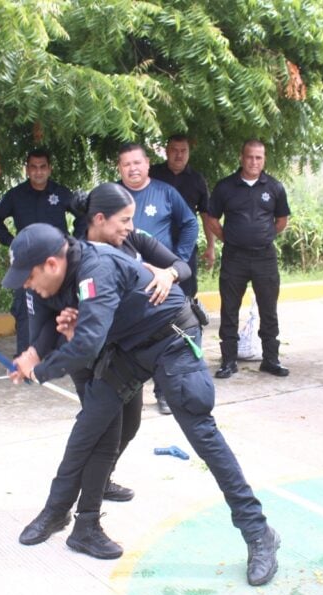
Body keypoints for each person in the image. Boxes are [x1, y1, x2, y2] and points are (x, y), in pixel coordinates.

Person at [4, 223, 280, 587]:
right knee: (91, 423)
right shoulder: (65, 276)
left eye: (29, 276)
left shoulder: (95, 268)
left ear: (52, 264)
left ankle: (258, 532)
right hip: (132, 346)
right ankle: (58, 513)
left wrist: (40, 370)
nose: (26, 284)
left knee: (201, 432)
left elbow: (87, 344)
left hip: (171, 338)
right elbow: (80, 328)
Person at [46, 182, 191, 504]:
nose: (131, 227)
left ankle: (101, 478)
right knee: (102, 427)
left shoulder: (133, 240)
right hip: (90, 354)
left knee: (131, 421)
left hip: (125, 351)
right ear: (99, 219)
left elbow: (183, 265)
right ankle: (80, 498)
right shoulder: (76, 256)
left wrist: (169, 275)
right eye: (124, 219)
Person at [117, 142, 198, 414]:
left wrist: (178, 259)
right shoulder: (113, 196)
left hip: (162, 281)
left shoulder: (166, 192)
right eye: (126, 164)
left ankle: (164, 393)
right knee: (128, 340)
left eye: (137, 162)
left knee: (164, 339)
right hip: (127, 284)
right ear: (120, 168)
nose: (132, 169)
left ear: (148, 163)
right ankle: (127, 394)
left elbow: (190, 223)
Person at [205, 140, 291, 379]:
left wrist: (265, 235)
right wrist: (229, 238)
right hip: (235, 257)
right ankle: (228, 361)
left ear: (264, 160)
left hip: (265, 257)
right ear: (241, 158)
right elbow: (212, 219)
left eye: (259, 158)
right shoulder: (225, 187)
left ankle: (271, 359)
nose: (254, 162)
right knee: (230, 309)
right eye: (250, 157)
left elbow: (282, 220)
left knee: (268, 309)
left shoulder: (274, 187)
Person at [0, 149, 86, 354]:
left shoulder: (60, 193)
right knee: (25, 309)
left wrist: (74, 241)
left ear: (49, 169)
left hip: (57, 262)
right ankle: (26, 354)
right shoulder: (16, 195)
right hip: (28, 263)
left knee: (64, 306)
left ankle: (63, 354)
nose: (38, 172)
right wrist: (11, 242)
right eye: (33, 167)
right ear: (27, 169)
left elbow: (83, 216)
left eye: (42, 167)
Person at [149, 134, 214, 293]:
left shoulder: (197, 180)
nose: (179, 155)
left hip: (185, 246)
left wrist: (211, 246)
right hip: (154, 244)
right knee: (152, 287)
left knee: (186, 291)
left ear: (189, 153)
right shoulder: (152, 174)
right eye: (174, 150)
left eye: (183, 151)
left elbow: (206, 216)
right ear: (166, 151)